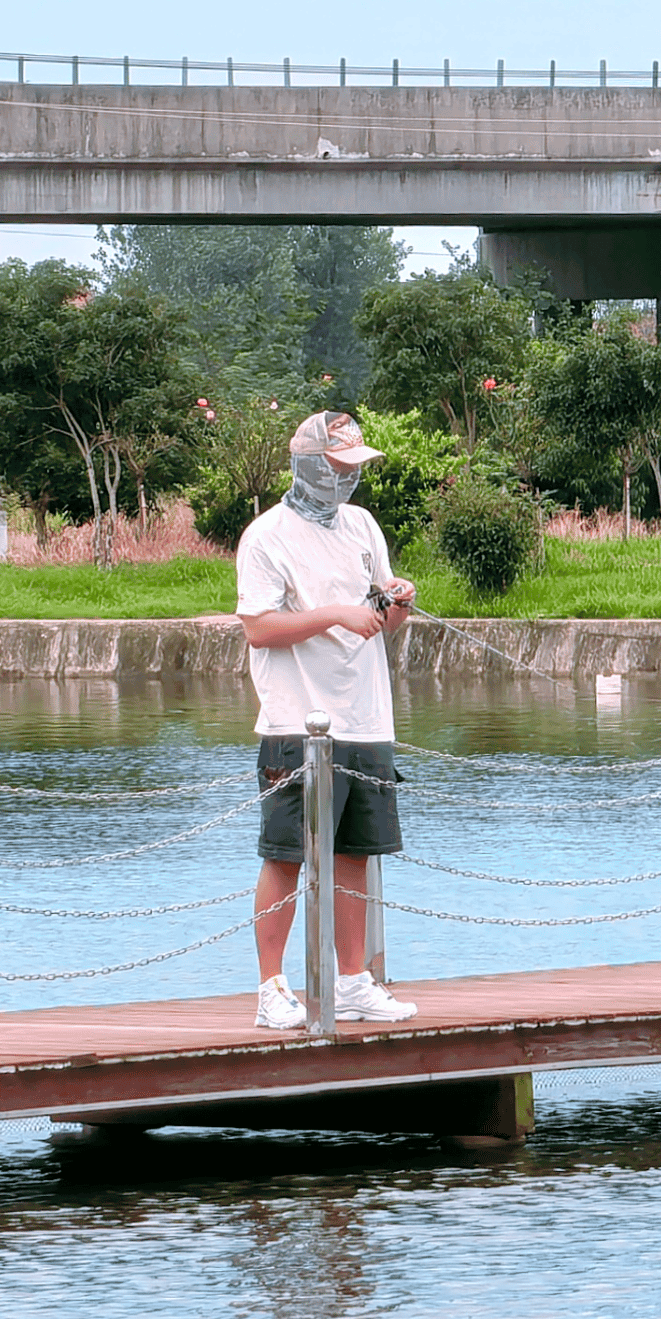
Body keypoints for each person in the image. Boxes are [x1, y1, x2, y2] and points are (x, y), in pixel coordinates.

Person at [235, 409, 421, 1030]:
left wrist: (395, 605)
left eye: (354, 471)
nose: (347, 482)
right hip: (296, 724)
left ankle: (353, 982)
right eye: (338, 468)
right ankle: (271, 989)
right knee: (286, 856)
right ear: (310, 464)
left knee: (356, 856)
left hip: (367, 720)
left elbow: (377, 616)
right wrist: (337, 613)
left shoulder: (363, 525)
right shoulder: (266, 535)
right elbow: (260, 627)